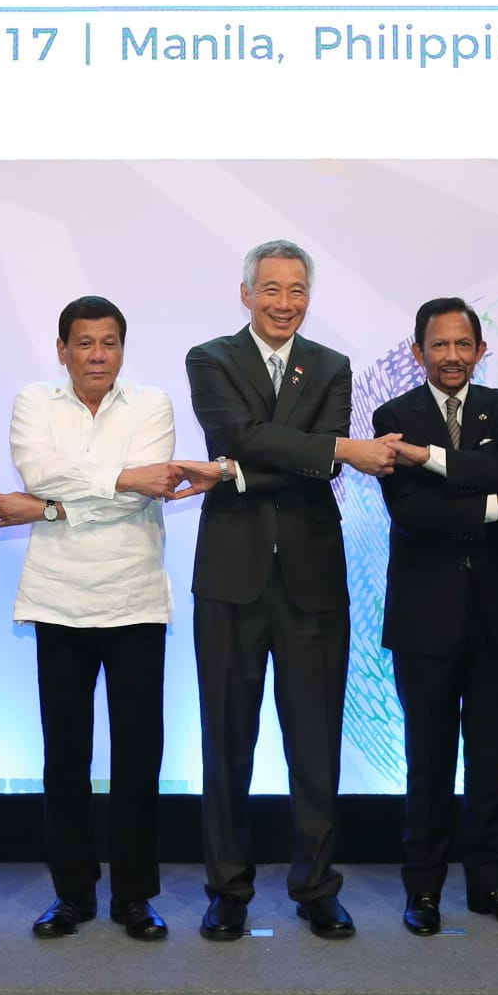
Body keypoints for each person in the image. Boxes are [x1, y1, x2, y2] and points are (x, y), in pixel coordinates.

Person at [178, 239, 389, 941]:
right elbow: (234, 431)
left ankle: (317, 886)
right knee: (225, 740)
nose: (283, 303)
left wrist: (238, 470)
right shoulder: (210, 358)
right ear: (246, 294)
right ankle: (227, 890)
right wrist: (332, 451)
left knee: (315, 739)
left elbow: (307, 464)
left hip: (311, 577)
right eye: (270, 289)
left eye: (296, 290)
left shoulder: (330, 365)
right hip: (231, 577)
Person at [0, 295, 191, 943]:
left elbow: (148, 487)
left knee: (137, 758)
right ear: (62, 350)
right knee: (64, 759)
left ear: (122, 349)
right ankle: (71, 895)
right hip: (59, 600)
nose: (97, 354)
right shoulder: (34, 402)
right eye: (84, 343)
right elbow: (40, 471)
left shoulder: (152, 403)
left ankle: (134, 897)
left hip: (133, 601)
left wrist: (47, 508)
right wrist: (117, 482)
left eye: (109, 343)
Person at [372, 297, 498, 936]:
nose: (451, 356)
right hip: (425, 614)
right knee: (428, 757)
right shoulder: (393, 416)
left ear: (480, 349)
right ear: (418, 352)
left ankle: (491, 886)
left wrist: (435, 462)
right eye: (438, 346)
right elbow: (413, 514)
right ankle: (422, 890)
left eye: (462, 344)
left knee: (494, 756)